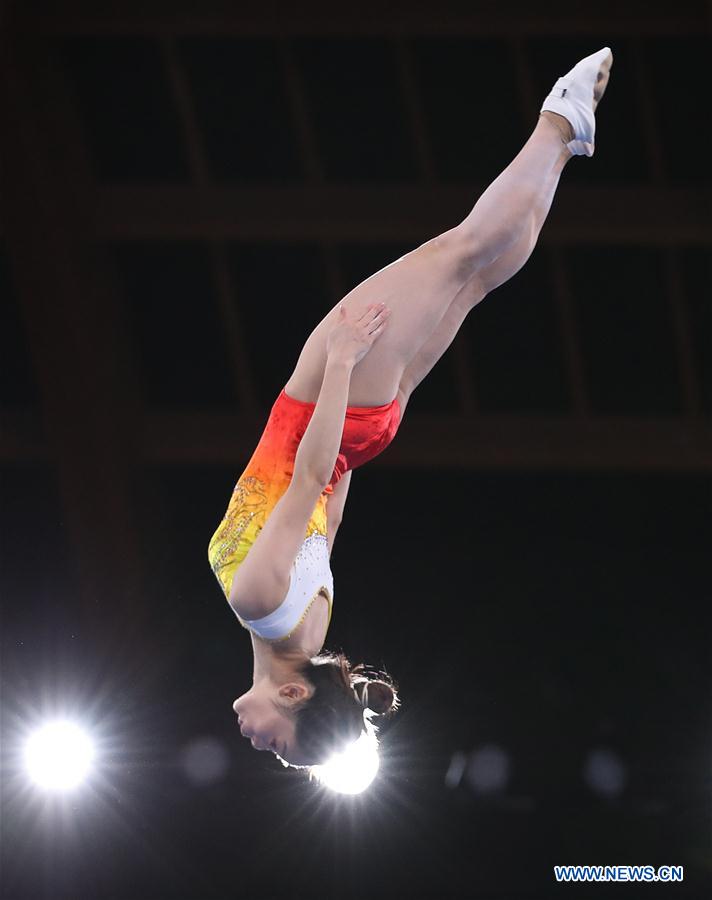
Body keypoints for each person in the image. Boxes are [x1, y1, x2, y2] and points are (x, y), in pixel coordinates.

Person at [209, 47, 614, 772]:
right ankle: (559, 118)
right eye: (279, 745)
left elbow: (326, 509)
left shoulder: (312, 627)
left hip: (359, 431)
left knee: (475, 278)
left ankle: (565, 142)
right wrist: (338, 362)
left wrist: (362, 434)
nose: (259, 745)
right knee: (460, 252)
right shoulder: (259, 602)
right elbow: (306, 483)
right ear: (296, 696)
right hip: (328, 405)